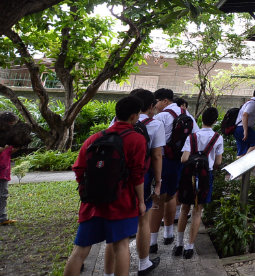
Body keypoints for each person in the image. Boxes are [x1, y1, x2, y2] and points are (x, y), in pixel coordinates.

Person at [63, 95, 148, 276]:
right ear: (134, 116)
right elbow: (137, 175)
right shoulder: (137, 140)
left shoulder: (95, 138)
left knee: (80, 251)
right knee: (121, 246)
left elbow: (78, 168)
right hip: (122, 202)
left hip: (92, 203)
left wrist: (88, 189)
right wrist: (141, 201)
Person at [104, 89, 165, 275]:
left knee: (115, 228)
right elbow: (156, 155)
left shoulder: (116, 121)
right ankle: (143, 263)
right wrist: (158, 182)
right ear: (149, 106)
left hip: (115, 177)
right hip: (141, 177)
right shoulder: (155, 125)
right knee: (143, 220)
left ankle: (109, 272)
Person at [149, 88, 198, 252]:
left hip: (163, 162)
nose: (154, 106)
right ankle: (169, 234)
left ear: (164, 101)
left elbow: (154, 144)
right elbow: (195, 136)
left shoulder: (161, 117)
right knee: (171, 196)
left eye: (156, 102)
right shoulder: (188, 114)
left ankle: (152, 242)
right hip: (180, 163)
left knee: (157, 201)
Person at [173, 107, 223, 259]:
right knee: (197, 211)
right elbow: (218, 162)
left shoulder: (192, 136)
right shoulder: (217, 138)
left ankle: (179, 244)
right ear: (215, 121)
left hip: (189, 176)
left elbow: (183, 159)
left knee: (184, 210)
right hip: (205, 176)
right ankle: (189, 247)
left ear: (201, 119)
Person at [233, 87, 255, 156]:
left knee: (242, 152)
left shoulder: (250, 102)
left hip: (238, 129)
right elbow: (245, 115)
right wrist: (245, 131)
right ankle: (246, 161)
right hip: (242, 128)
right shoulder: (253, 103)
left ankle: (240, 165)